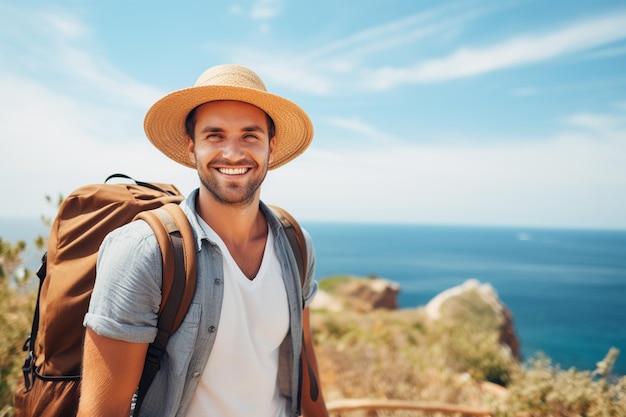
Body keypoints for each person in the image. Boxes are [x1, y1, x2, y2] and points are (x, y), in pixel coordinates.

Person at [77, 64, 329, 417]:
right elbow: (103, 411)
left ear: (271, 146)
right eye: (214, 135)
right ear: (190, 145)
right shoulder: (144, 252)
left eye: (250, 135)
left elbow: (306, 371)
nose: (232, 153)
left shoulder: (296, 243)